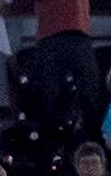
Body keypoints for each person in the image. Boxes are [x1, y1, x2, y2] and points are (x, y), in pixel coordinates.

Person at [30, 0, 100, 146]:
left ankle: (89, 140)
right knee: (50, 95)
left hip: (74, 32)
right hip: (52, 34)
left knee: (90, 91)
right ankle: (52, 143)